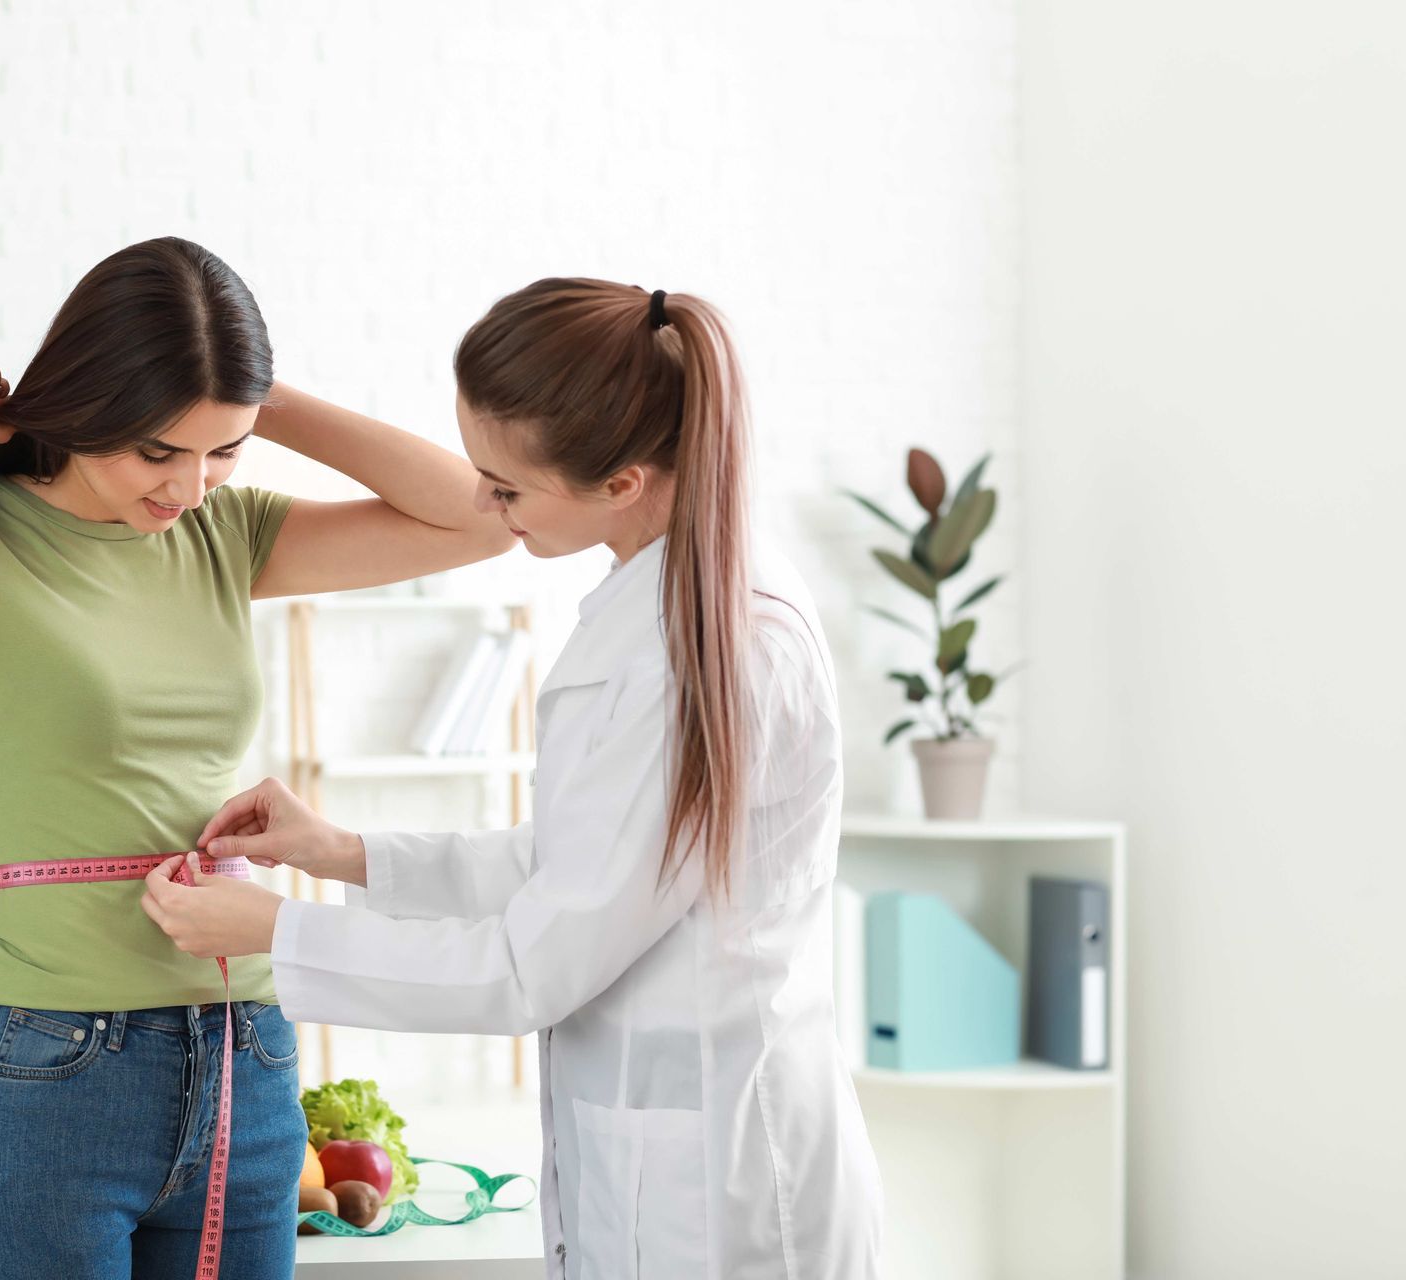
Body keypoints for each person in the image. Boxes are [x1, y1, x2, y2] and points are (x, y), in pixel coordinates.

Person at [0, 236, 515, 1279]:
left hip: (244, 1053)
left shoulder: (226, 533)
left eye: (224, 452)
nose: (190, 486)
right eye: (158, 451)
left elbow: (484, 520)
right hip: (50, 1065)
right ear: (84, 408)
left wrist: (257, 398)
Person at [142, 279, 885, 1278]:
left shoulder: (715, 640)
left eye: (506, 486)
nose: (485, 506)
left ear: (622, 480)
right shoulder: (659, 598)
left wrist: (277, 935)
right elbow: (579, 863)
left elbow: (531, 966)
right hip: (662, 1157)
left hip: (723, 1190)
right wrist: (343, 853)